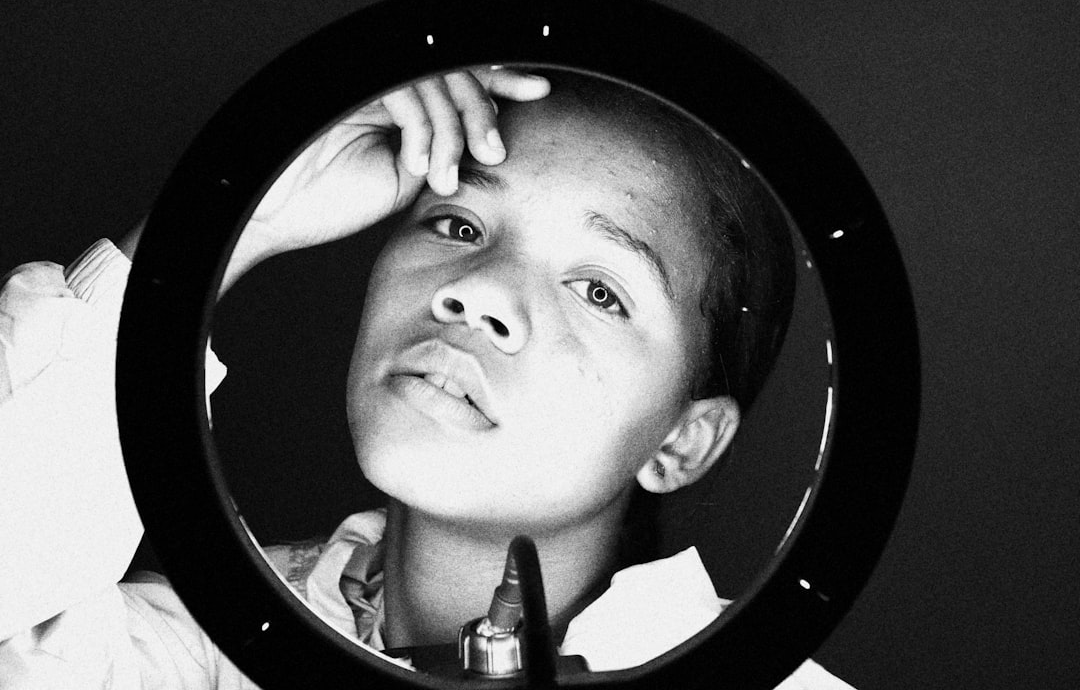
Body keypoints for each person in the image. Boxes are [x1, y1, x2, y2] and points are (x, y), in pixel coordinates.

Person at [0, 66, 853, 689]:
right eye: (455, 221)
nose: (477, 292)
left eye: (599, 289)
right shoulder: (194, 652)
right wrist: (235, 219)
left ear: (681, 439)